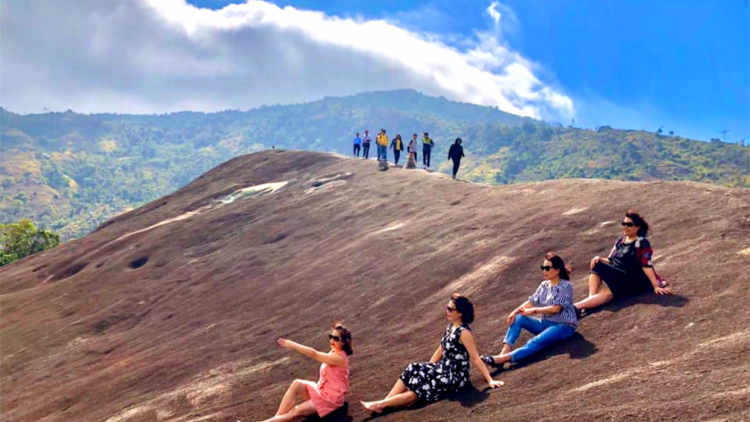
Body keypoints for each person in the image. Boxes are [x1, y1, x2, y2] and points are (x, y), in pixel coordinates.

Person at [360, 294, 503, 413]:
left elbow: (475, 357)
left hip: (455, 377)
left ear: (460, 313)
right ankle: (386, 402)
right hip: (443, 369)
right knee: (413, 368)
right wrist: (428, 369)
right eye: (447, 308)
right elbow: (441, 349)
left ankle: (381, 405)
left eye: (450, 309)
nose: (447, 311)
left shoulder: (464, 332)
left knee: (420, 390)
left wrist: (490, 380)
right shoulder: (450, 327)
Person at [481, 253, 577, 367]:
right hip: (545, 324)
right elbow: (531, 302)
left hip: (563, 326)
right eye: (543, 267)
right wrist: (515, 312)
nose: (544, 271)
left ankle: (506, 358)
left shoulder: (565, 286)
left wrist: (534, 310)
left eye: (547, 268)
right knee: (518, 318)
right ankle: (504, 352)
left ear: (557, 270)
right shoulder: (544, 285)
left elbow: (556, 309)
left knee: (536, 341)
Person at [574, 210, 671, 315]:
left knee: (606, 292)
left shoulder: (642, 243)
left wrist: (655, 285)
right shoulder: (621, 241)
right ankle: (589, 300)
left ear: (638, 227)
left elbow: (646, 265)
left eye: (629, 225)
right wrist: (600, 258)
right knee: (597, 264)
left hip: (633, 279)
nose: (625, 227)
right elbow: (611, 260)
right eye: (623, 224)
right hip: (619, 275)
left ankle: (574, 307)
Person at [251, 324, 353, 422]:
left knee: (294, 413)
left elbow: (313, 354)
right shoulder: (334, 351)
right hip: (320, 391)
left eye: (336, 338)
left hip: (329, 400)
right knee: (297, 384)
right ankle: (277, 419)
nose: (332, 340)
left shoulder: (339, 358)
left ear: (344, 342)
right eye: (331, 337)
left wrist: (292, 345)